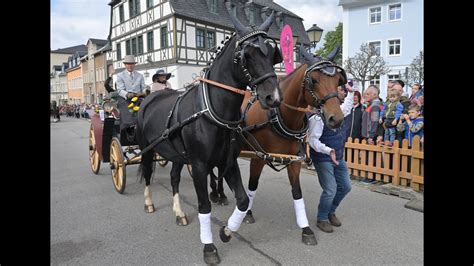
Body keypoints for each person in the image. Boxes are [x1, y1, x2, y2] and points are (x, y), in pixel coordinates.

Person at [308, 83, 354, 233]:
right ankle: (322, 218)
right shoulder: (317, 118)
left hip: (338, 156)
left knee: (346, 186)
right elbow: (313, 141)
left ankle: (330, 211)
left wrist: (352, 92)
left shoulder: (337, 111)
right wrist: (328, 151)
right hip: (323, 158)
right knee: (330, 189)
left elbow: (347, 108)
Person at [115, 55, 146, 141]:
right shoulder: (120, 75)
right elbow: (120, 90)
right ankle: (129, 128)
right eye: (128, 64)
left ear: (134, 65)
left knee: (146, 105)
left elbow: (143, 87)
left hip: (138, 97)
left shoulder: (140, 75)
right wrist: (128, 94)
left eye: (132, 64)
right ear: (125, 65)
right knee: (127, 109)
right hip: (125, 98)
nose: (130, 66)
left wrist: (144, 92)